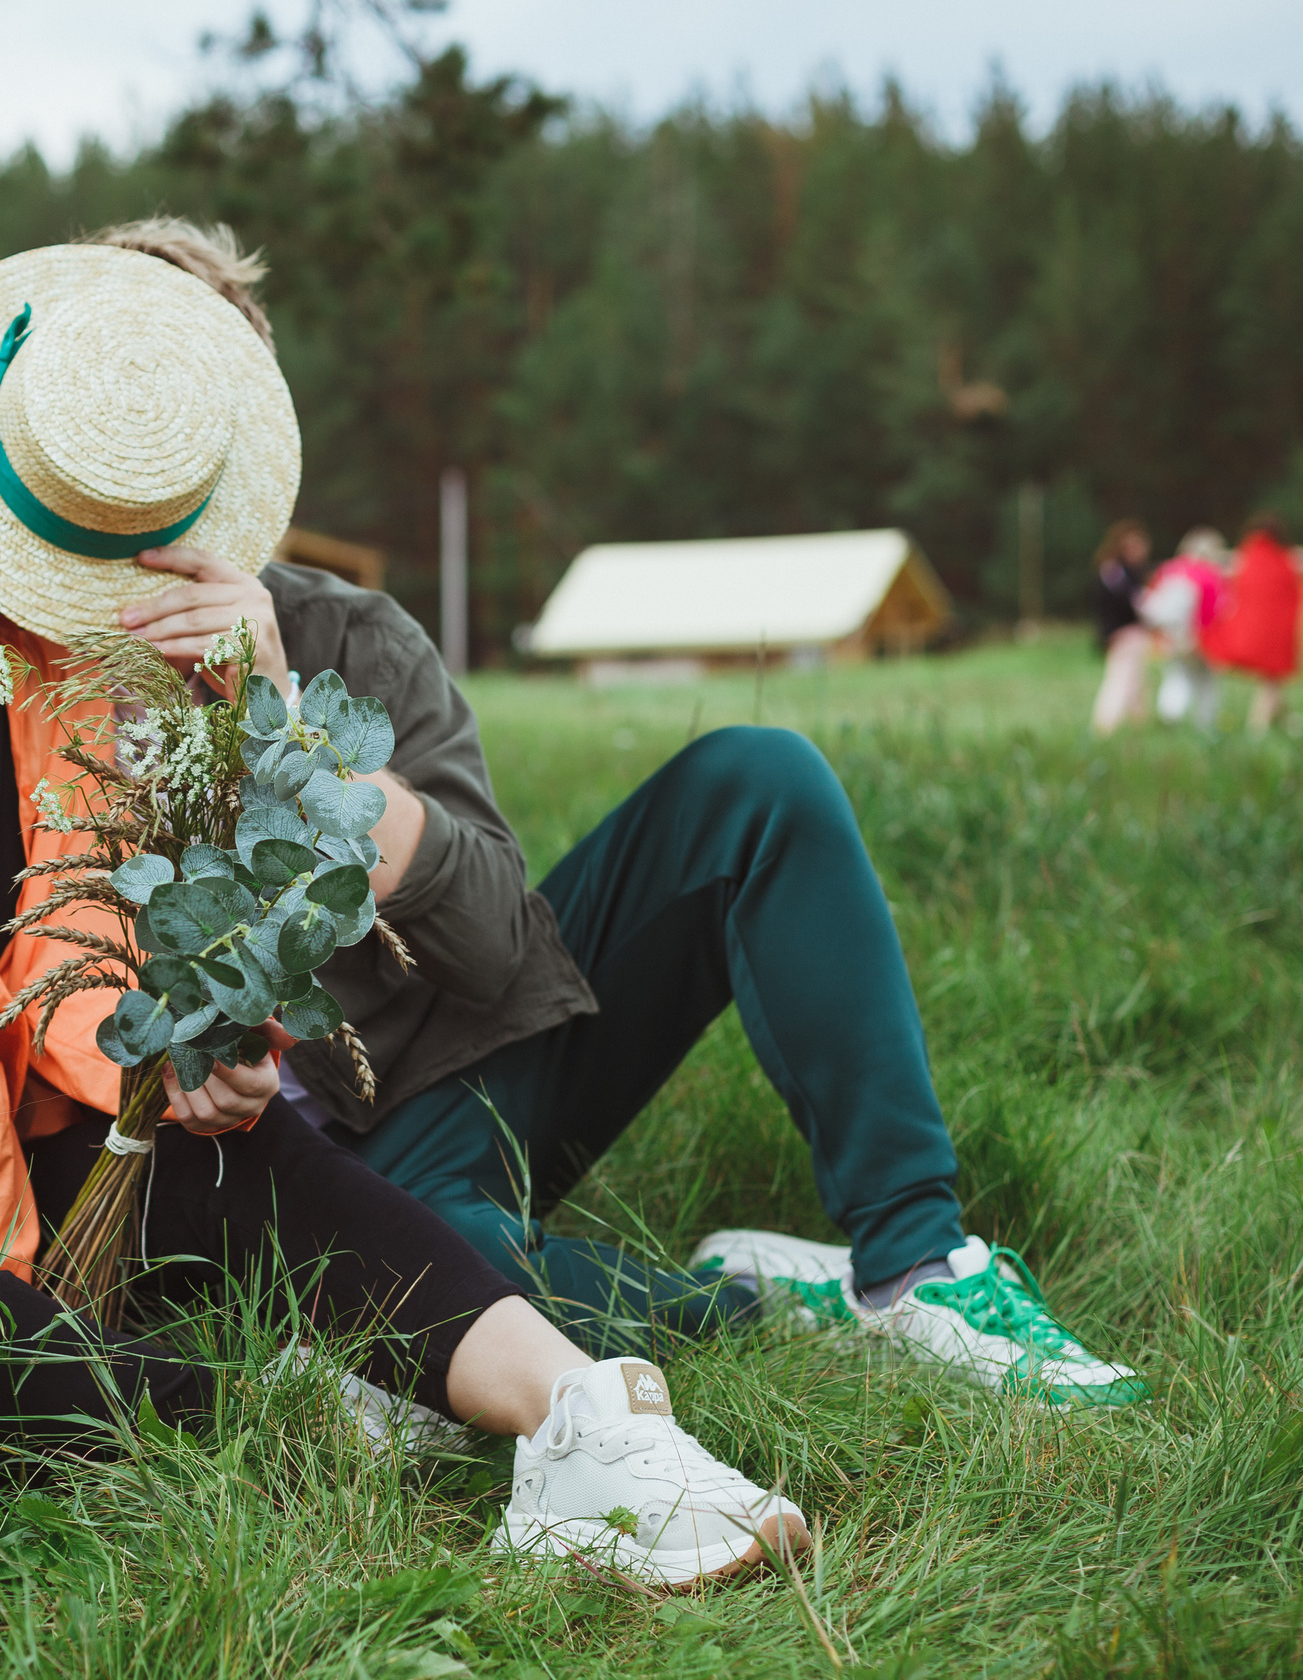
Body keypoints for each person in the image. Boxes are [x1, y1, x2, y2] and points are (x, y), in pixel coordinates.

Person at [0, 245, 810, 1589]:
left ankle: (592, 1419)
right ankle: (284, 1417)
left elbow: (62, 959)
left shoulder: (30, 666)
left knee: (237, 1167)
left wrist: (170, 1057)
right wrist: (64, 1304)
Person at [76, 227, 1143, 1409]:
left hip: (446, 1079)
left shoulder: (347, 635)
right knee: (420, 1279)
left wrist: (290, 733)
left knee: (756, 777)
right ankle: (772, 1306)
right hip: (233, 1180)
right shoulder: (12, 673)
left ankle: (915, 1262)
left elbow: (493, 945)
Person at [1201, 515, 1303, 736]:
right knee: (1272, 681)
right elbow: (1295, 595)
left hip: (1249, 632)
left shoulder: (1247, 557)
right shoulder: (1284, 560)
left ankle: (1282, 721)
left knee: (1271, 682)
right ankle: (1257, 731)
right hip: (1276, 634)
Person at [1139, 527, 1229, 731]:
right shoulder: (1210, 576)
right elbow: (1217, 612)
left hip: (1171, 637)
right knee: (1205, 683)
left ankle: (1170, 716)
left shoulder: (1168, 570)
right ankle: (1206, 724)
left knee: (1176, 676)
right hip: (1199, 639)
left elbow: (1153, 605)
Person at [1088, 521, 1154, 736]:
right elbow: (1130, 602)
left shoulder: (1125, 571)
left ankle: (1138, 726)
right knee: (1120, 680)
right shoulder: (1115, 570)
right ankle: (1105, 726)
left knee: (1135, 682)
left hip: (1130, 632)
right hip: (1123, 632)